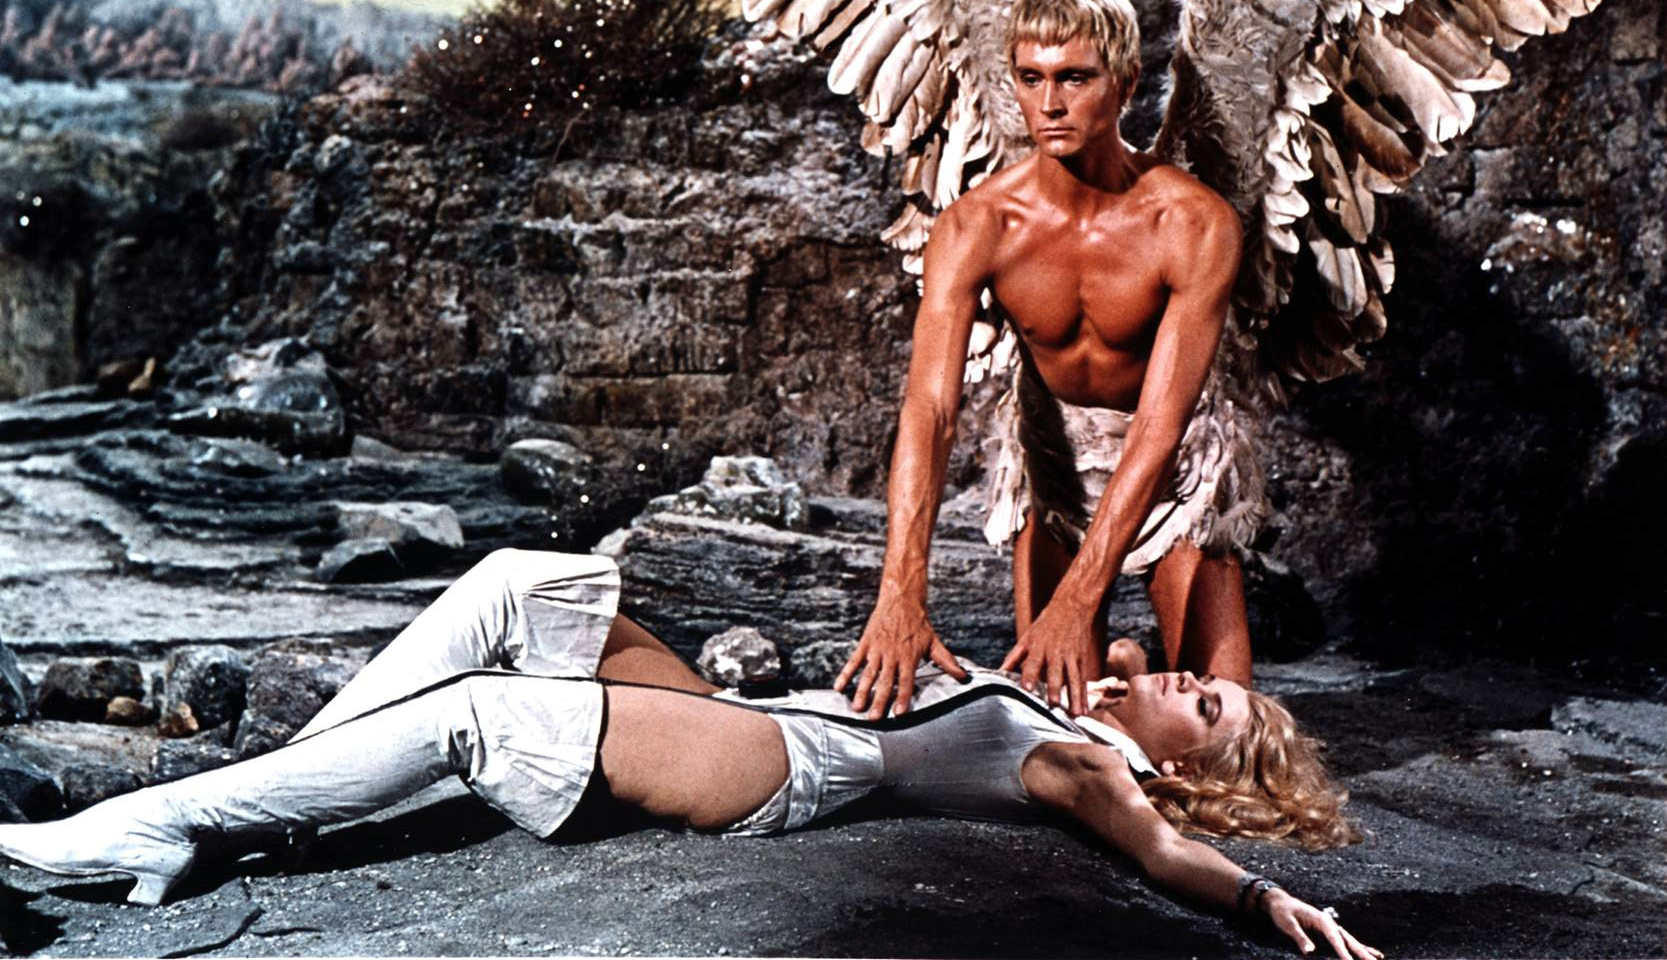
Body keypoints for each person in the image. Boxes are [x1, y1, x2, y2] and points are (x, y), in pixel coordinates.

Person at [0, 550, 1377, 959]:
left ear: (1183, 770)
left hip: (778, 767)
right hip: (770, 717)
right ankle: (265, 800)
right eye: (1208, 681)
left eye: (1209, 709)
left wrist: (1262, 896)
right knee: (522, 585)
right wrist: (1134, 675)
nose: (1189, 679)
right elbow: (1133, 628)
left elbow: (1163, 851)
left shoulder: (1096, 771)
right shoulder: (1088, 705)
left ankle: (160, 827)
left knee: (483, 713)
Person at [839, 0, 1262, 721]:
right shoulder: (979, 225)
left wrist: (1077, 599)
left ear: (1126, 83)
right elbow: (930, 410)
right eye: (1030, 78)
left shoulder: (1193, 223)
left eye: (1074, 77)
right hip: (1054, 461)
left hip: (1176, 466)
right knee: (1061, 734)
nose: (1049, 103)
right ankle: (1122, 669)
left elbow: (1160, 426)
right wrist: (900, 592)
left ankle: (1128, 664)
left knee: (1224, 737)